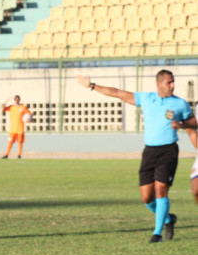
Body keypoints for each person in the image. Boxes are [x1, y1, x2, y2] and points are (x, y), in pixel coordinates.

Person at [77, 70, 197, 243]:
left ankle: (157, 234)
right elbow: (118, 93)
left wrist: (182, 124)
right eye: (169, 82)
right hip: (149, 152)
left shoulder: (180, 104)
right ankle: (169, 219)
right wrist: (93, 86)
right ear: (159, 83)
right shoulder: (146, 99)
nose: (172, 85)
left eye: (173, 82)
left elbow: (194, 122)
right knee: (147, 197)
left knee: (160, 190)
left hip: (169, 151)